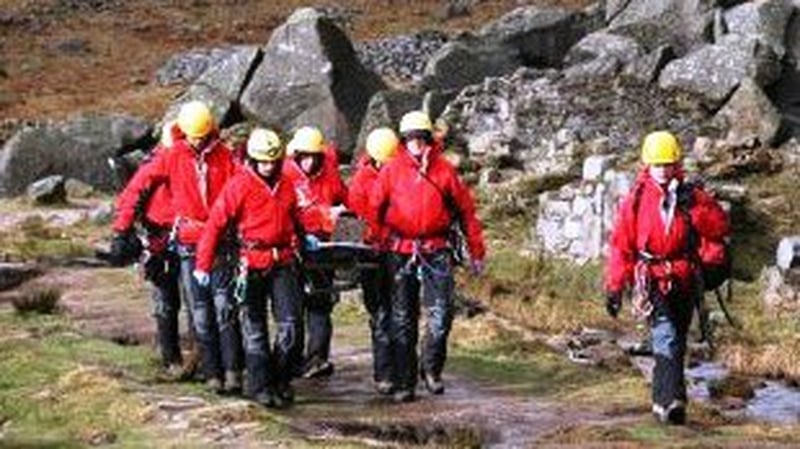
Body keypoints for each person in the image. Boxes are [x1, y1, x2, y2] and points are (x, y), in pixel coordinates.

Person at [111, 101, 243, 394]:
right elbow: (136, 188)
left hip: (220, 242)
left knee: (224, 308)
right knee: (195, 310)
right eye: (191, 136)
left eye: (201, 136)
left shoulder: (226, 157)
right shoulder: (170, 156)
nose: (196, 141)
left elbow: (246, 190)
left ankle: (232, 370)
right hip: (182, 242)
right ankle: (204, 370)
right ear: (182, 132)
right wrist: (121, 229)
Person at [605, 131, 729, 425]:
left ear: (676, 163)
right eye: (656, 164)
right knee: (666, 337)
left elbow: (718, 229)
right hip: (651, 279)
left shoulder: (692, 196)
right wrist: (614, 286)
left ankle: (662, 404)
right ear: (647, 165)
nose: (662, 170)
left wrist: (697, 207)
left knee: (677, 341)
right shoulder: (635, 200)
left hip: (686, 278)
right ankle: (672, 401)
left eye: (667, 163)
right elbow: (621, 246)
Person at [371, 111, 486, 403]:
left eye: (421, 138)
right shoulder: (391, 171)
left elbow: (466, 212)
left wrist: (476, 251)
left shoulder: (445, 171)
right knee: (402, 319)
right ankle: (404, 381)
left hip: (437, 252)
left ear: (429, 140)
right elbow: (374, 210)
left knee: (441, 317)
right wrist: (375, 242)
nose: (416, 144)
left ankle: (431, 369)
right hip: (399, 253)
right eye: (411, 139)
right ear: (403, 141)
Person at [195, 129, 303, 408]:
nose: (268, 167)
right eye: (262, 162)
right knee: (254, 330)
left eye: (273, 162)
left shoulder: (287, 184)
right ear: (253, 161)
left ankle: (280, 379)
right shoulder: (238, 186)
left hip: (283, 262)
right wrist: (203, 264)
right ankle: (260, 386)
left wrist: (308, 237)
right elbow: (216, 224)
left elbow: (296, 217)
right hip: (250, 264)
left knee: (290, 328)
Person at [111, 122, 187, 378]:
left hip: (189, 236)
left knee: (188, 302)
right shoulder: (156, 163)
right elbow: (132, 196)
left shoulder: (193, 161)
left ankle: (189, 358)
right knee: (167, 300)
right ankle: (170, 357)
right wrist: (122, 231)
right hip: (160, 238)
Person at [284, 126, 349, 379]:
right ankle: (292, 360)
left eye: (314, 156)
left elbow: (346, 200)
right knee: (293, 306)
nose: (309, 162)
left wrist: (340, 212)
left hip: (322, 248)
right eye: (304, 156)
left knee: (320, 304)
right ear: (297, 155)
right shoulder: (285, 175)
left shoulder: (330, 175)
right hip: (294, 247)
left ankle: (317, 358)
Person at [347, 127, 399, 395]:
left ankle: (403, 370)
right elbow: (358, 220)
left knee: (401, 314)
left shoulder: (404, 173)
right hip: (373, 254)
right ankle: (385, 374)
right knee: (380, 314)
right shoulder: (360, 182)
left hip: (400, 250)